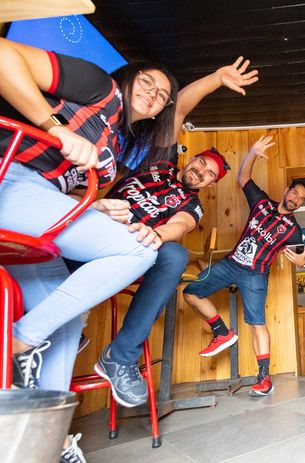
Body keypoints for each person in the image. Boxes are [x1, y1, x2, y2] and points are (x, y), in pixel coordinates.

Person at [0, 38, 176, 461]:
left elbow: (60, 185)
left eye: (162, 97)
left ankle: (47, 439)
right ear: (129, 77)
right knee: (137, 251)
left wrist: (96, 205)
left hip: (31, 202)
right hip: (9, 177)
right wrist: (53, 125)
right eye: (148, 83)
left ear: (157, 113)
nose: (153, 94)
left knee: (65, 320)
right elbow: (3, 54)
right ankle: (16, 342)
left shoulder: (114, 148)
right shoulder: (100, 88)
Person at [85, 58, 259, 407]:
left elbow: (182, 225)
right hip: (98, 228)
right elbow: (177, 108)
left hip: (137, 245)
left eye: (209, 174)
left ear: (210, 184)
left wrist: (160, 233)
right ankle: (67, 321)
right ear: (191, 158)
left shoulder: (194, 205)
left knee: (175, 254)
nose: (200, 172)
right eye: (201, 164)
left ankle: (120, 357)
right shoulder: (160, 160)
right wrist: (215, 77)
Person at [183, 136, 305, 397]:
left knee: (256, 323)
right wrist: (252, 152)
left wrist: (301, 261)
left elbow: (303, 258)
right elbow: (243, 176)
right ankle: (221, 332)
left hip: (256, 275)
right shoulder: (261, 202)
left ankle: (264, 378)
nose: (296, 199)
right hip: (230, 264)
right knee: (191, 292)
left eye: (302, 199)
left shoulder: (294, 231)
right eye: (295, 193)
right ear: (287, 190)